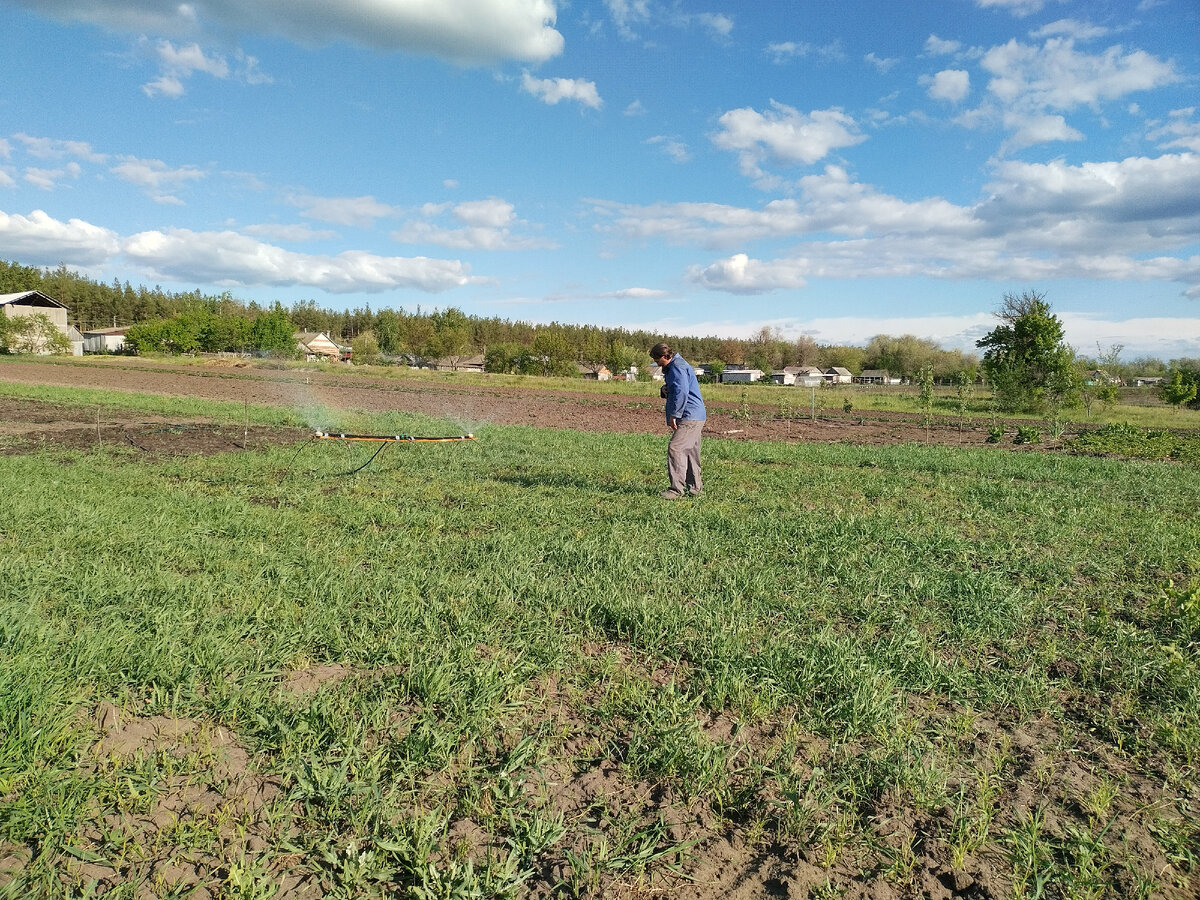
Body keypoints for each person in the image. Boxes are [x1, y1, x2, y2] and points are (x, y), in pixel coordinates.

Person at [649, 342, 705, 499]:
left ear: (666, 356)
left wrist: (674, 414)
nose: (656, 362)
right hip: (696, 415)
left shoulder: (677, 367)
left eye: (657, 358)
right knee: (691, 452)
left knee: (676, 448)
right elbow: (677, 388)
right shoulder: (678, 365)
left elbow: (681, 392)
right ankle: (695, 490)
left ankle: (676, 490)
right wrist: (665, 390)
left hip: (689, 415)